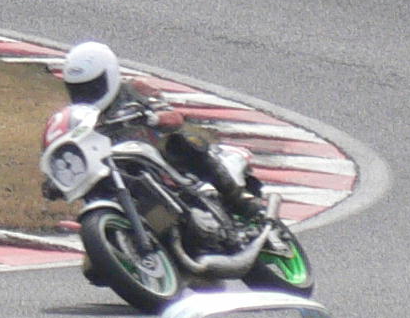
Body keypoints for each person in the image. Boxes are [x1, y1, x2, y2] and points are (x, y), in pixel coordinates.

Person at [46, 40, 263, 218]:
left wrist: (152, 118)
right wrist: (57, 177)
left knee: (185, 143)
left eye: (93, 86)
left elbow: (174, 118)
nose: (87, 93)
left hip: (161, 162)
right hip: (119, 172)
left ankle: (237, 199)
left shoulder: (135, 89)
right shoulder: (80, 118)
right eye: (79, 89)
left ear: (109, 75)